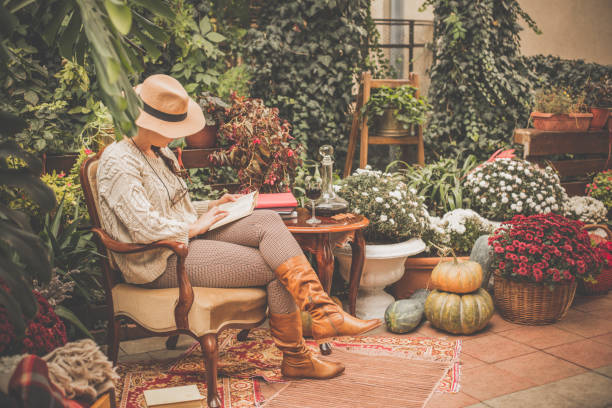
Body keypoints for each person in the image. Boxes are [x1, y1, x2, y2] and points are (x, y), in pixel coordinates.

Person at [96, 74, 381, 380]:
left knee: (268, 220)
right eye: (171, 129)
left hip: (182, 237)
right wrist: (195, 227)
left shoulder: (159, 152)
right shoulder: (118, 162)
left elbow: (171, 208)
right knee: (274, 267)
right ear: (148, 122)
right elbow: (143, 227)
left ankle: (323, 312)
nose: (177, 136)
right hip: (157, 260)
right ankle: (300, 352)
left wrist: (212, 206)